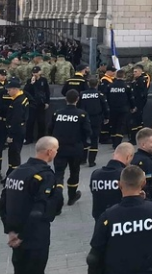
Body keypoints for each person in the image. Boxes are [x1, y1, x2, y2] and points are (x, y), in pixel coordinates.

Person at [86, 165, 152, 274]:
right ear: (143, 183)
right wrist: (146, 199)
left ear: (119, 184)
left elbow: (94, 255)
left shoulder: (108, 216)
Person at [0, 136, 64, 274]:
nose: (57, 153)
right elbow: (39, 210)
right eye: (56, 150)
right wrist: (58, 190)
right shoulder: (45, 176)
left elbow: (3, 203)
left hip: (15, 237)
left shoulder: (15, 173)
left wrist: (10, 231)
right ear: (49, 152)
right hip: (35, 238)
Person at [47, 90, 91, 207]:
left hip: (59, 148)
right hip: (75, 148)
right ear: (77, 99)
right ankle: (72, 196)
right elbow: (88, 131)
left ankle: (57, 197)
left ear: (65, 99)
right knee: (74, 172)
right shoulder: (81, 114)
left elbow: (50, 129)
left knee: (59, 174)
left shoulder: (57, 113)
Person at [90, 142, 136, 221]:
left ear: (114, 154)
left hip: (100, 221)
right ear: (129, 157)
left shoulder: (95, 174)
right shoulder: (125, 175)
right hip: (120, 220)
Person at [79, 77, 110, 167]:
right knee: (94, 139)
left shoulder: (82, 94)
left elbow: (78, 105)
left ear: (88, 84)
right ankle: (91, 161)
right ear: (97, 84)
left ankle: (83, 159)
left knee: (84, 138)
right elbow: (105, 106)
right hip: (96, 118)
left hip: (84, 118)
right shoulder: (99, 94)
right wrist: (107, 117)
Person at [1, 77, 29, 177]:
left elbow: (16, 120)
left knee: (14, 155)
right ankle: (10, 174)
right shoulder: (20, 98)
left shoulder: (18, 102)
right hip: (19, 130)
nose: (8, 92)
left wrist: (10, 135)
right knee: (12, 154)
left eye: (9, 90)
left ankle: (14, 176)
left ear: (15, 89)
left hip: (16, 132)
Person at [24, 66, 51, 145]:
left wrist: (47, 102)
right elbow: (26, 91)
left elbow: (47, 92)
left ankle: (41, 138)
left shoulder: (44, 80)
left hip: (41, 103)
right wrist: (31, 84)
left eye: (37, 72)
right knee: (30, 121)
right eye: (34, 72)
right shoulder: (29, 81)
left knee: (41, 121)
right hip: (32, 103)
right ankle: (29, 138)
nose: (35, 74)